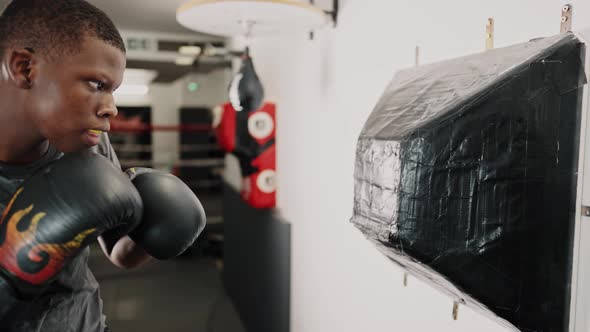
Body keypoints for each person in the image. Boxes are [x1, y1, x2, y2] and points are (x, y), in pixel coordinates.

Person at [0, 1, 205, 331]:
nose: (111, 108)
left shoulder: (86, 141)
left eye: (114, 90)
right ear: (25, 68)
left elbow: (120, 254)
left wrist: (157, 226)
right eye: (97, 84)